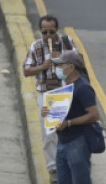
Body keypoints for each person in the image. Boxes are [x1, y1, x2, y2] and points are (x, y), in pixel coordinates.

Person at [23, 15, 77, 177]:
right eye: (44, 32)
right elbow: (26, 70)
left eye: (51, 32)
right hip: (46, 94)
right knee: (48, 131)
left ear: (57, 30)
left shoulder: (66, 43)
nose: (48, 36)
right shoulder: (36, 46)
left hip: (66, 91)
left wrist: (61, 60)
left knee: (69, 127)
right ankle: (53, 168)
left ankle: (71, 162)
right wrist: (42, 66)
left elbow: (79, 63)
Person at [44, 51, 100, 184]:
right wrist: (47, 112)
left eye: (61, 66)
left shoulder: (83, 88)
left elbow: (94, 114)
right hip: (62, 141)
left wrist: (69, 123)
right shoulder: (65, 87)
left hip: (77, 143)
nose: (58, 69)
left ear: (71, 67)